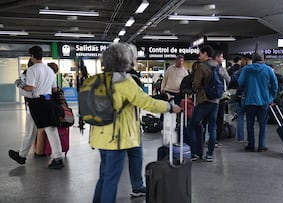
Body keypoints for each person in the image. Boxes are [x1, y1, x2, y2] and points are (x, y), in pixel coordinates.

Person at [89, 42, 181, 203]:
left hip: (100, 137)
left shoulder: (98, 80)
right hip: (117, 139)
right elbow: (147, 103)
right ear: (123, 60)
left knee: (104, 177)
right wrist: (169, 106)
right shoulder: (125, 82)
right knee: (111, 179)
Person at [9, 46, 64, 169]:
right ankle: (57, 158)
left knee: (30, 130)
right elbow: (55, 89)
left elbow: (31, 88)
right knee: (51, 130)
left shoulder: (33, 70)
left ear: (32, 56)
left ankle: (22, 156)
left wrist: (20, 84)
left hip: (36, 104)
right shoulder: (49, 70)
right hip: (48, 102)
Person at [238, 51, 278, 152]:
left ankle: (251, 145)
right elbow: (275, 86)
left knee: (250, 124)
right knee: (263, 124)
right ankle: (261, 145)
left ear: (253, 59)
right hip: (264, 101)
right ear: (262, 59)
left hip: (249, 100)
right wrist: (270, 98)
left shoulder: (246, 69)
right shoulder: (268, 70)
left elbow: (240, 83)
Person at [187, 45, 221, 162]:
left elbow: (196, 84)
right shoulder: (217, 65)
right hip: (215, 101)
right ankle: (210, 154)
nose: (199, 56)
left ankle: (194, 153)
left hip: (204, 100)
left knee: (191, 126)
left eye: (200, 54)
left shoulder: (202, 66)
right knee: (212, 128)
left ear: (205, 54)